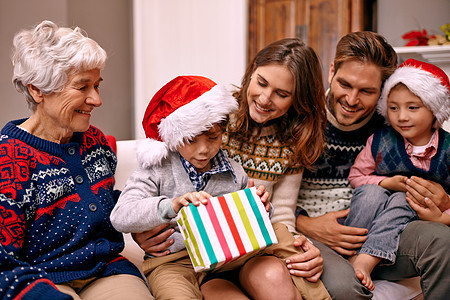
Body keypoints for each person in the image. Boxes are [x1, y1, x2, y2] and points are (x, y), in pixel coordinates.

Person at [132, 38, 329, 298]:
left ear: (297, 99)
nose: (265, 98)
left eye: (282, 94)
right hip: (199, 254)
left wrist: (299, 246)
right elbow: (159, 180)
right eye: (261, 83)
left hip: (250, 249)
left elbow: (280, 215)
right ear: (251, 72)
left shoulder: (293, 140)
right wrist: (142, 231)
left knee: (278, 281)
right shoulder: (212, 116)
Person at [0, 20, 152, 300]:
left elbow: (100, 202)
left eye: (97, 85)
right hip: (38, 277)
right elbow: (3, 263)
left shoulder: (95, 142)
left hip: (105, 270)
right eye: (82, 87)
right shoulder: (8, 157)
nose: (96, 99)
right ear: (37, 90)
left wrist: (136, 221)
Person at [296, 31, 450, 299]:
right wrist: (305, 223)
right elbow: (271, 193)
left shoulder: (394, 124)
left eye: (367, 91)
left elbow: (430, 163)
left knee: (442, 241)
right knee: (347, 289)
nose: (352, 100)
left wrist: (442, 201)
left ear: (383, 90)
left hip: (385, 231)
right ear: (332, 71)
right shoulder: (302, 116)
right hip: (319, 234)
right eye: (345, 84)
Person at [344, 58, 450, 290]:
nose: (401, 116)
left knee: (405, 198)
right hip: (369, 215)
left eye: (413, 107)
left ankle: (368, 257)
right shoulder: (379, 141)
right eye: (393, 108)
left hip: (408, 225)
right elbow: (356, 177)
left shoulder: (448, 149)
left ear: (435, 110)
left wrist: (442, 217)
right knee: (370, 192)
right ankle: (348, 253)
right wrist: (386, 182)